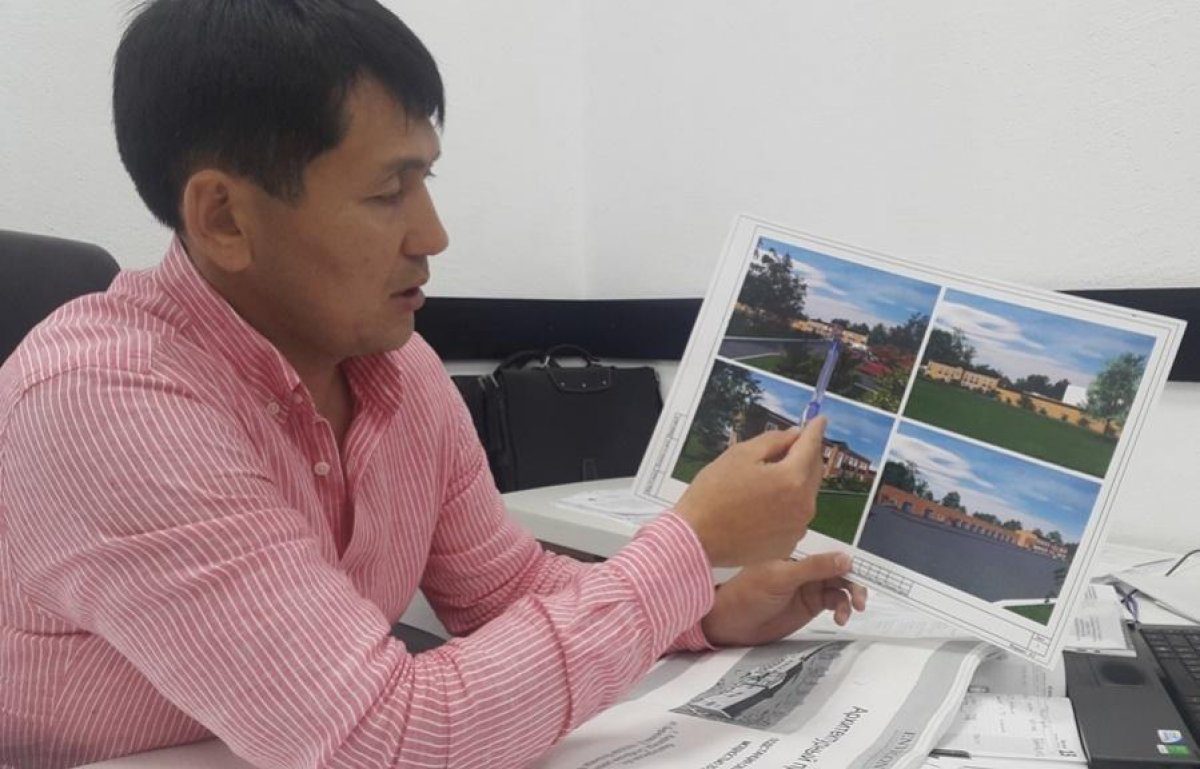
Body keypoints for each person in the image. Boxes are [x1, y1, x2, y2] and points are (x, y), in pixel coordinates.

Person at [0, 2, 866, 767]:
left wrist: (707, 609)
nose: (433, 234)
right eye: (389, 192)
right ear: (225, 217)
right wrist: (686, 544)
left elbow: (502, 593)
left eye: (426, 178)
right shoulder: (102, 403)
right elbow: (382, 741)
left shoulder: (400, 370)